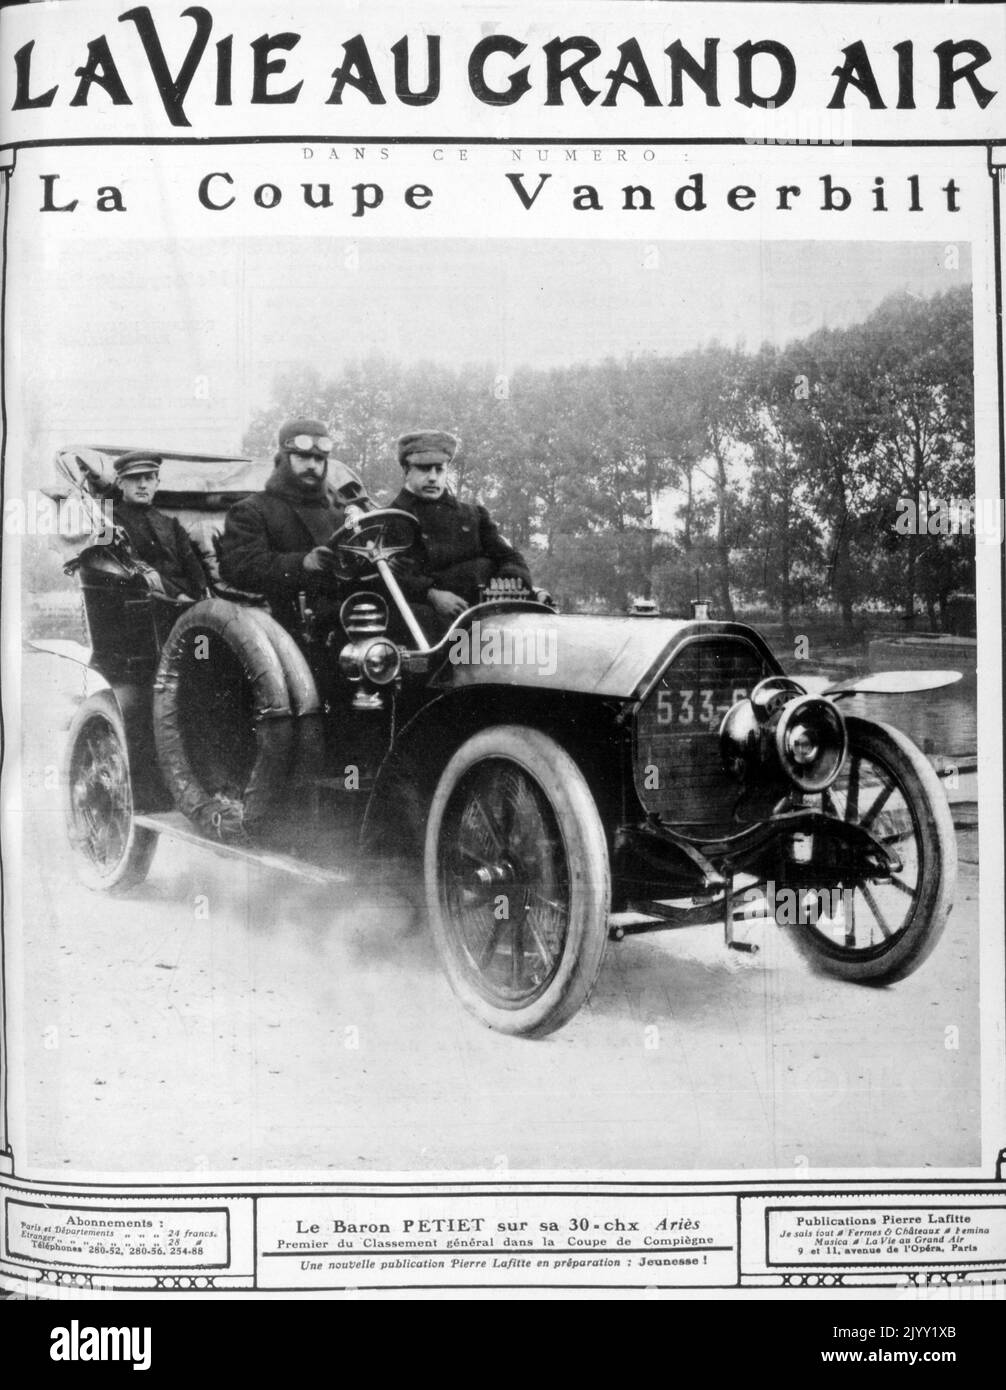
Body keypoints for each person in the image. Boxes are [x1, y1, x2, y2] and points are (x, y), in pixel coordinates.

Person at [390, 430, 533, 631]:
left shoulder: (474, 515)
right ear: (406, 470)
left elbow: (509, 557)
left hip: (488, 614)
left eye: (439, 470)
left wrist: (507, 584)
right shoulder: (390, 519)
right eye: (424, 469)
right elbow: (392, 576)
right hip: (433, 623)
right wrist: (432, 595)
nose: (433, 478)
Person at [219, 417, 347, 635]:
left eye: (319, 459)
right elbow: (238, 567)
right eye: (302, 457)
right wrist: (302, 563)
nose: (312, 466)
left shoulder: (339, 511)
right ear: (283, 459)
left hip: (344, 616)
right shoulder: (251, 510)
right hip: (287, 625)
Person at [106, 451, 209, 601]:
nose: (142, 485)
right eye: (135, 478)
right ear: (120, 483)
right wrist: (179, 596)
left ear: (157, 484)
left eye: (148, 478)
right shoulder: (108, 521)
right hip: (142, 600)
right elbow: (131, 565)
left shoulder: (171, 524)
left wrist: (202, 594)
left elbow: (192, 564)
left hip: (187, 600)